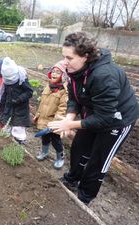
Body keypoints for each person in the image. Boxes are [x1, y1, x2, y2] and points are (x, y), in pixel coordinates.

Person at [48, 32, 139, 205]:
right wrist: (69, 118)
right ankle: (71, 179)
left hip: (118, 119)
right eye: (63, 56)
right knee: (78, 148)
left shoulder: (104, 76)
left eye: (69, 57)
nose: (64, 62)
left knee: (98, 159)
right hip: (95, 112)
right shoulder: (75, 69)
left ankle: (84, 197)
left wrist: (71, 123)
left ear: (86, 56)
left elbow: (105, 118)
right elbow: (74, 97)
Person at [33, 60, 68, 169]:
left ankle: (60, 157)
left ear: (63, 76)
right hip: (44, 119)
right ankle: (44, 152)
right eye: (53, 71)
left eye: (58, 72)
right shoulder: (48, 87)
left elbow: (62, 109)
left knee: (56, 141)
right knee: (45, 138)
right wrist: (37, 114)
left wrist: (54, 123)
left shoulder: (64, 91)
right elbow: (42, 103)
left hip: (54, 122)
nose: (54, 74)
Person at [0, 57, 33, 145]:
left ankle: (19, 141)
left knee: (18, 126)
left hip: (20, 107)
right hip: (9, 105)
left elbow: (29, 92)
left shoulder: (22, 79)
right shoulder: (6, 82)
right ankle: (7, 141)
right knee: (8, 123)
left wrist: (19, 99)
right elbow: (5, 93)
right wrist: (2, 103)